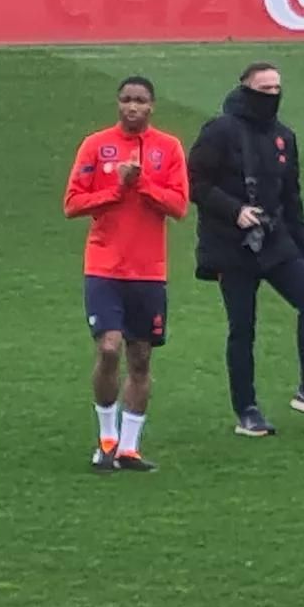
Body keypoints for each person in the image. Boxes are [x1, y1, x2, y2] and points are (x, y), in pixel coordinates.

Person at [188, 62, 304, 436]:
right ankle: (247, 410)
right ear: (245, 89)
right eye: (264, 89)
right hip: (232, 246)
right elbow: (195, 181)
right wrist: (235, 211)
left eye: (277, 88)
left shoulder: (283, 137)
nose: (272, 96)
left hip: (275, 242)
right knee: (242, 328)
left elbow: (292, 198)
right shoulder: (220, 131)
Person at [63, 76, 188, 473]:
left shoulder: (168, 149)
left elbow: (179, 205)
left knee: (140, 357)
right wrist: (116, 191)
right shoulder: (96, 145)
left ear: (152, 106)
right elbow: (72, 203)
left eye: (140, 101)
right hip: (103, 267)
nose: (132, 107)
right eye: (126, 100)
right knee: (109, 348)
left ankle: (130, 448)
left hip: (149, 272)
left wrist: (143, 184)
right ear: (118, 104)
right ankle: (106, 440)